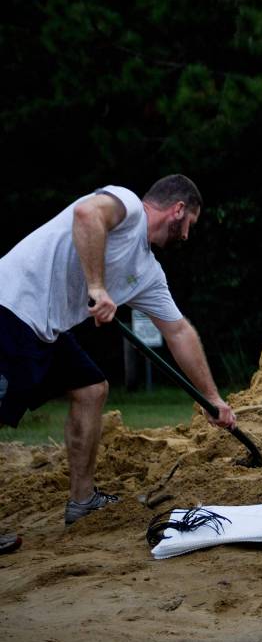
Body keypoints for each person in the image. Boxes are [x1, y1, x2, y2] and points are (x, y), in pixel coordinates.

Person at [0, 175, 236, 526]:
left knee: (91, 389)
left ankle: (82, 500)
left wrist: (212, 398)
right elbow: (85, 214)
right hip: (10, 306)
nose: (186, 236)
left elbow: (179, 332)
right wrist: (97, 286)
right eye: (189, 225)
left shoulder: (147, 272)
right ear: (178, 209)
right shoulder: (127, 206)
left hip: (46, 329)